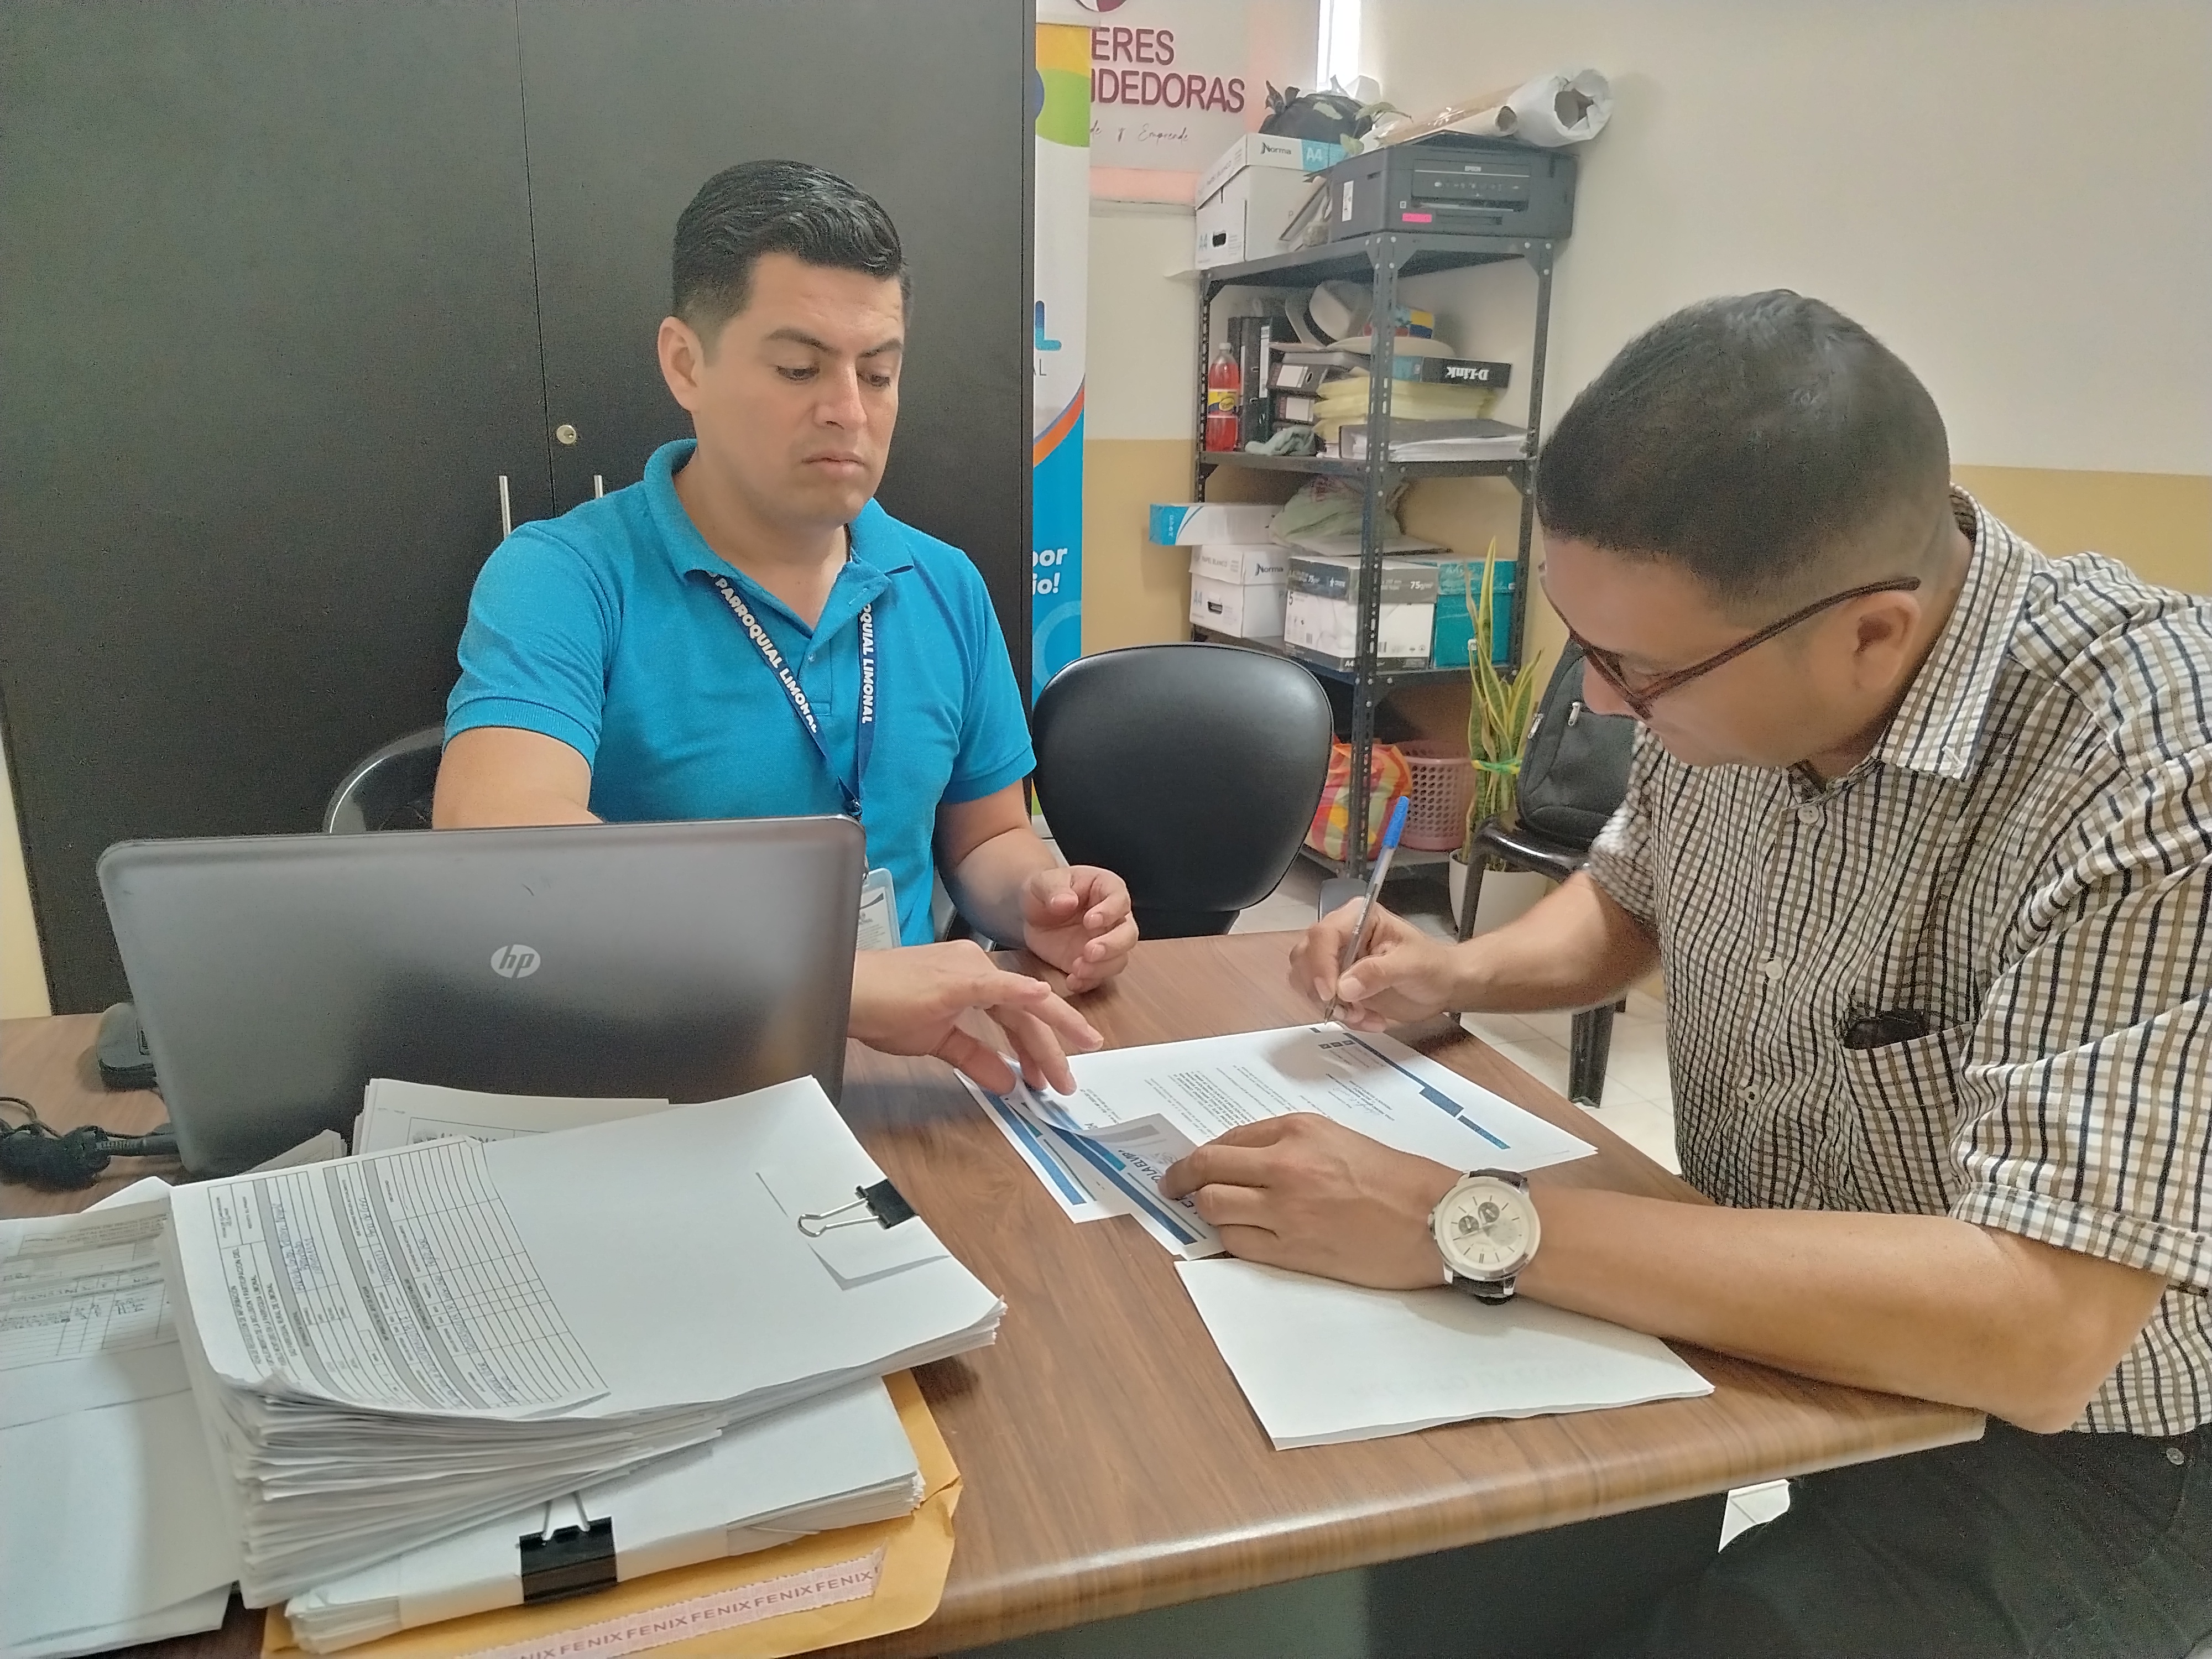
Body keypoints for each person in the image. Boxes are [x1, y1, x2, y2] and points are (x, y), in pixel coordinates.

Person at [1161, 293, 2212, 1655]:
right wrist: (1458, 972)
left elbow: (2043, 1328)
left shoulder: (2154, 762)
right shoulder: (1727, 656)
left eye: (1637, 672)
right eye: (1585, 645)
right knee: (1445, 1566)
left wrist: (1452, 1218)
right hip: (1789, 1337)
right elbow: (1630, 899)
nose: (1601, 704)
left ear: (1871, 635)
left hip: (2089, 1454)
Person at [434, 159, 1135, 1095]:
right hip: (656, 1070)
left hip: (907, 1067)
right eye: (799, 369)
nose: (848, 411)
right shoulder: (566, 577)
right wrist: (829, 984)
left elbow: (984, 837)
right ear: (686, 363)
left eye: (878, 373)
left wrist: (1037, 897)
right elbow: (502, 843)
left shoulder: (944, 584)